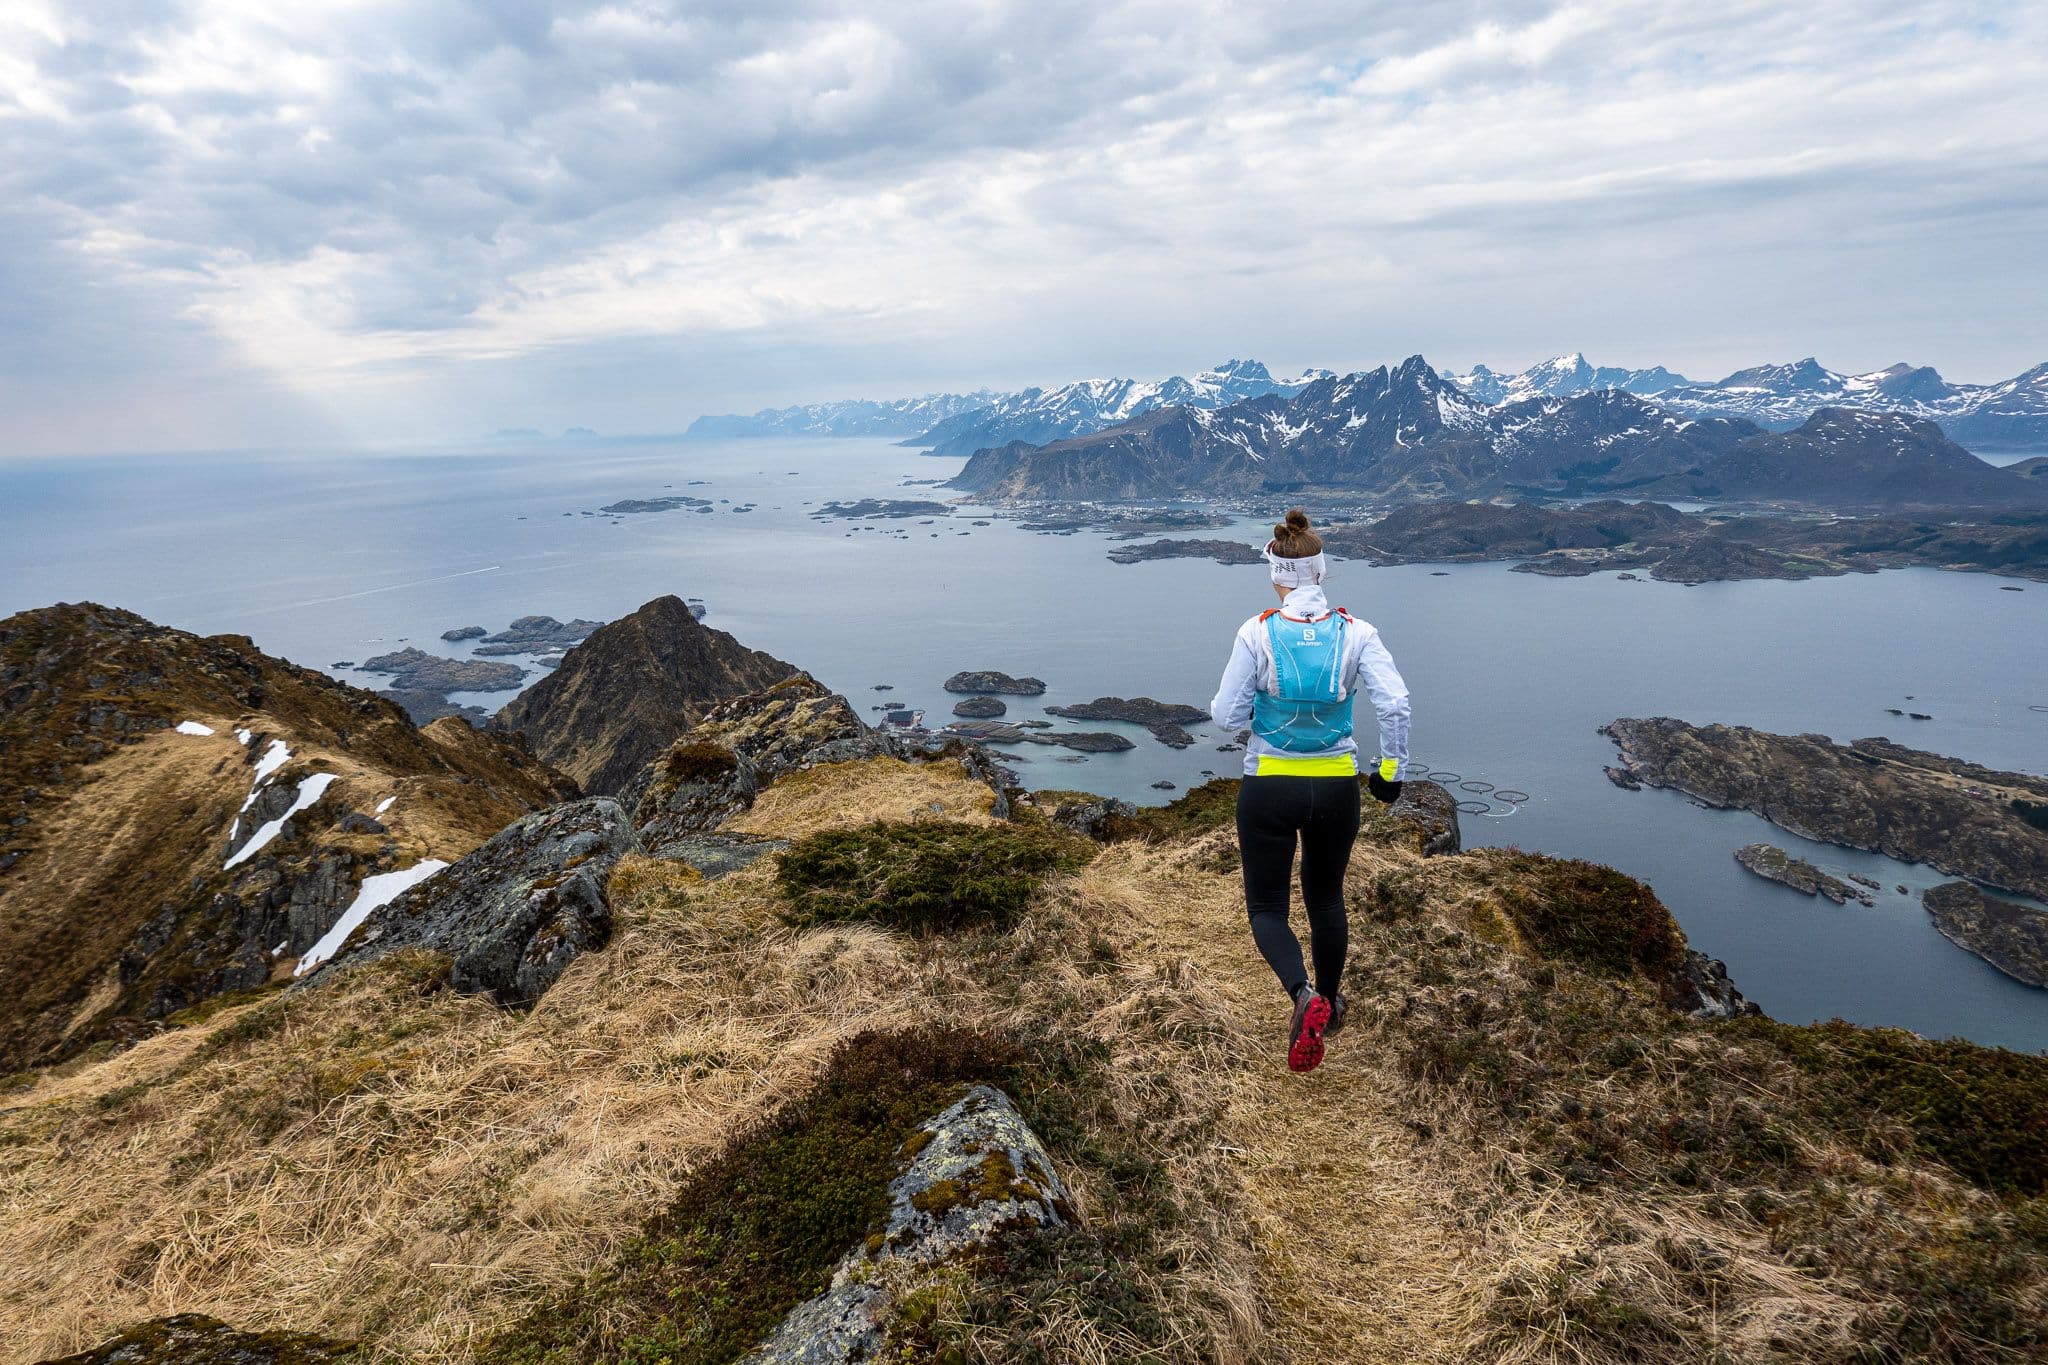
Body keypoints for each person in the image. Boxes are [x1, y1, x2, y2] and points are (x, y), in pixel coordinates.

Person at [1209, 508, 1411, 1073]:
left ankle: (1302, 995)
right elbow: (1395, 705)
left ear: (1276, 575)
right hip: (1337, 785)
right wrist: (1390, 773)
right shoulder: (1357, 632)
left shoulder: (1256, 632)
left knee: (1267, 907)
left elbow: (1226, 717)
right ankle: (1331, 1000)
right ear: (1321, 572)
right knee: (1325, 898)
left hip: (1270, 785)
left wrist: (1260, 711)